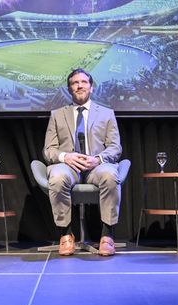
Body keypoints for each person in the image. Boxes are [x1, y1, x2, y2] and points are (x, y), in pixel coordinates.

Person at [43, 68, 122, 256]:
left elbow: (115, 147)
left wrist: (98, 159)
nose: (79, 86)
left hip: (97, 166)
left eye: (83, 82)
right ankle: (66, 234)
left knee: (110, 174)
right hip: (69, 167)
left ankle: (107, 235)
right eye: (74, 83)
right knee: (57, 176)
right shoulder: (57, 115)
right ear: (69, 89)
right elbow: (49, 150)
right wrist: (65, 157)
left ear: (91, 87)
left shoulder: (107, 114)